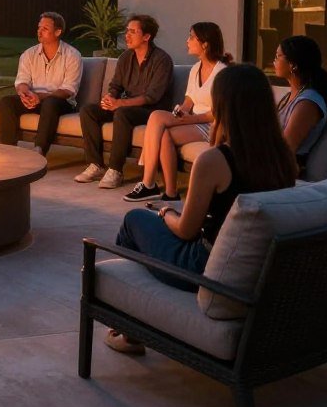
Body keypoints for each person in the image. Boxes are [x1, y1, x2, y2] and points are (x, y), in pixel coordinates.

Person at [106, 63, 298, 355]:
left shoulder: (215, 160)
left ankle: (129, 332)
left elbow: (186, 231)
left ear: (223, 106)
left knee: (135, 220)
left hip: (204, 266)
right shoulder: (284, 158)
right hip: (256, 267)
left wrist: (165, 213)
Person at [123, 22, 230, 203]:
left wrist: (190, 118)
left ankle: (148, 183)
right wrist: (181, 111)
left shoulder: (222, 73)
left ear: (205, 43)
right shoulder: (196, 69)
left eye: (191, 37)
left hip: (212, 125)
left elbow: (217, 114)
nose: (187, 41)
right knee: (163, 132)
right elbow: (190, 100)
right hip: (194, 120)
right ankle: (171, 193)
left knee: (156, 116)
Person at [77, 14, 174, 189]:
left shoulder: (162, 60)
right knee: (88, 110)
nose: (126, 36)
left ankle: (115, 170)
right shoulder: (126, 57)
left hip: (152, 111)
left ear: (146, 36)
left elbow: (152, 97)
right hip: (127, 105)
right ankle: (96, 165)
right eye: (126, 31)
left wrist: (120, 104)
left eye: (132, 32)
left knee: (122, 113)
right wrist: (110, 98)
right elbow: (116, 85)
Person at [0, 12, 83, 157]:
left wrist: (40, 96)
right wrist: (25, 93)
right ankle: (8, 150)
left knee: (50, 103)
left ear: (57, 32)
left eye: (45, 28)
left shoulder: (72, 55)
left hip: (60, 103)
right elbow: (22, 81)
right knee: (6, 102)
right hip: (34, 99)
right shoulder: (29, 54)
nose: (39, 31)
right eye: (39, 27)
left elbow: (68, 90)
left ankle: (39, 149)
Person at [273, 35, 327, 166]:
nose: (274, 61)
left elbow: (286, 149)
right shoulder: (289, 97)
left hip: (281, 169)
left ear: (293, 64)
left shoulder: (308, 103)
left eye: (278, 56)